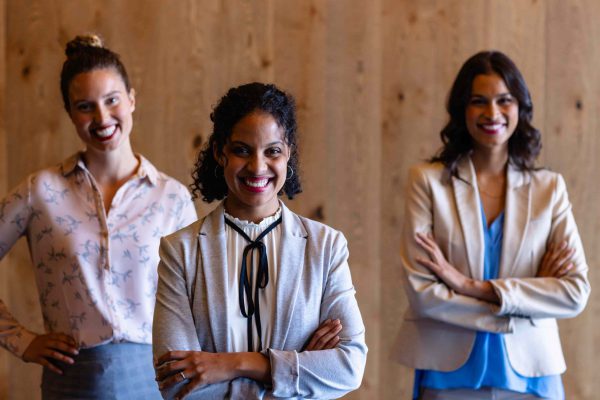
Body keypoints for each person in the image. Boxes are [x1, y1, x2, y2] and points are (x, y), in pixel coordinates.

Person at [0, 34, 197, 399]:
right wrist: (20, 340)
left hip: (157, 380)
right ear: (70, 113)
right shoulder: (39, 191)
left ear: (132, 99)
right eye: (85, 106)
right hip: (72, 383)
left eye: (112, 100)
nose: (102, 117)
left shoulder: (173, 198)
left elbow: (201, 302)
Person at [395, 51, 590, 399]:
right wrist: (521, 303)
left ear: (520, 107)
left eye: (504, 100)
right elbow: (423, 294)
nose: (492, 113)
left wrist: (471, 286)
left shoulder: (549, 188)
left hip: (533, 377)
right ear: (461, 110)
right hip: (447, 374)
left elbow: (574, 293)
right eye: (478, 101)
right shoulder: (427, 182)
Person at [152, 82, 367, 399]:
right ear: (219, 152)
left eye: (272, 151)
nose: (257, 166)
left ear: (288, 152)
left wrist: (234, 364)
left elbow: (349, 367)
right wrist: (295, 369)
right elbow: (178, 383)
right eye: (242, 150)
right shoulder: (180, 251)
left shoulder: (327, 247)